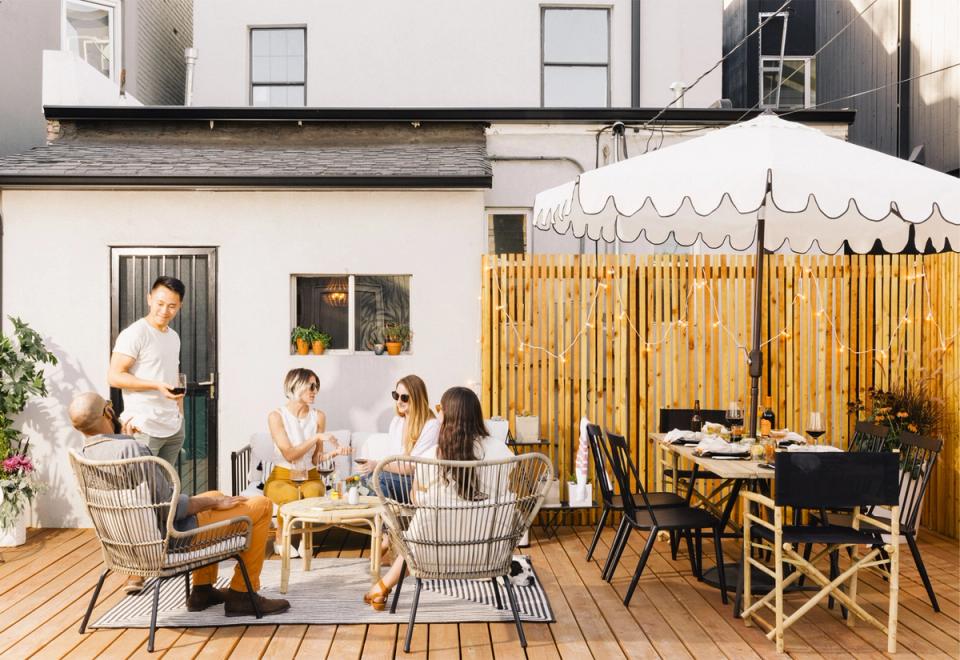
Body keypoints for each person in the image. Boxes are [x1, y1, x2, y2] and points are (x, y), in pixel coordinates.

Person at [68, 391, 290, 617]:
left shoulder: (85, 455)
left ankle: (202, 591)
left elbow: (145, 499)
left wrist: (212, 499)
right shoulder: (134, 451)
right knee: (261, 505)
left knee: (215, 494)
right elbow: (171, 508)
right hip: (173, 539)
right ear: (108, 412)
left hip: (128, 544)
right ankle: (243, 594)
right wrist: (213, 502)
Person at [363, 386, 512, 610]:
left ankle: (384, 585)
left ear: (447, 415)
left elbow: (415, 499)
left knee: (423, 523)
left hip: (433, 551)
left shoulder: (432, 457)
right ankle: (383, 585)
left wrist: (427, 498)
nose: (438, 413)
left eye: (441, 408)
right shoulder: (502, 452)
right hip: (488, 549)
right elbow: (505, 492)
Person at [264, 368, 349, 557]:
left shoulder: (318, 416)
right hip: (281, 476)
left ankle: (305, 540)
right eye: (311, 386)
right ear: (295, 386)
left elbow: (315, 459)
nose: (315, 391)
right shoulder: (276, 416)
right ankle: (280, 536)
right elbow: (289, 455)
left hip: (310, 476)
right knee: (289, 494)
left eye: (316, 386)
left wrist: (334, 452)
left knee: (313, 492)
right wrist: (317, 437)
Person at [107, 276, 187, 469]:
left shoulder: (173, 337)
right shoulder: (135, 333)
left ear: (180, 306)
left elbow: (173, 376)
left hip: (173, 426)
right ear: (149, 299)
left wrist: (180, 416)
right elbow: (114, 376)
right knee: (143, 490)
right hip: (144, 427)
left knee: (167, 488)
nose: (164, 311)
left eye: (172, 306)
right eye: (160, 303)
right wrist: (156, 385)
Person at [357, 374, 438, 503]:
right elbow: (394, 458)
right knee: (357, 481)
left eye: (404, 397)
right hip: (397, 480)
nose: (398, 401)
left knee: (377, 479)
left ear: (417, 398)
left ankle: (386, 521)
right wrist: (373, 467)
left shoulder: (430, 425)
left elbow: (411, 468)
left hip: (418, 484)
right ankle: (383, 520)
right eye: (396, 395)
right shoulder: (397, 422)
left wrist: (377, 465)